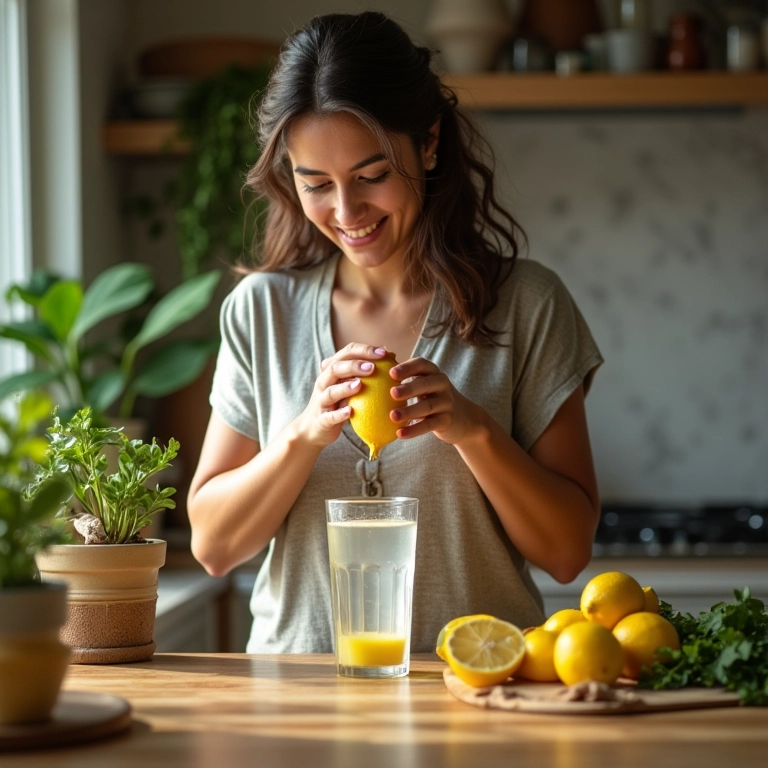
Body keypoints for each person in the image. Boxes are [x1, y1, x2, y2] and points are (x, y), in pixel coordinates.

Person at [187, 11, 603, 654]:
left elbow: (568, 551)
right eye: (316, 184)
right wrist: (304, 434)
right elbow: (213, 546)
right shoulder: (260, 311)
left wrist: (471, 428)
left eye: (372, 176)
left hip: (478, 696)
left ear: (429, 143)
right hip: (297, 709)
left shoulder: (525, 304)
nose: (347, 213)